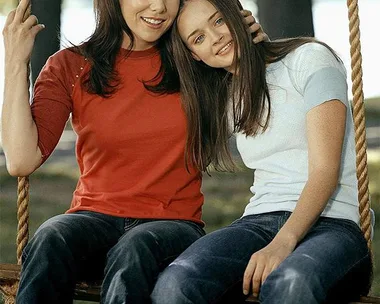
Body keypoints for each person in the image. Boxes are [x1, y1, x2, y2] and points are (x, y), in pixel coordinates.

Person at [1, 0, 267, 303]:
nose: (158, 7)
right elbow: (21, 160)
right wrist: (15, 61)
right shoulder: (71, 66)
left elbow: (265, 95)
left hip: (173, 224)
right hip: (94, 219)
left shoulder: (194, 57)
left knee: (135, 246)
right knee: (52, 236)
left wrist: (249, 47)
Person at [150, 0, 373, 303]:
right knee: (177, 281)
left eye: (218, 21)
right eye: (198, 38)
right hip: (259, 221)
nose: (215, 37)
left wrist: (283, 242)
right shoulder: (226, 94)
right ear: (194, 55)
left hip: (334, 223)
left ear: (241, 16)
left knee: (290, 284)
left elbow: (324, 171)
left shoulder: (310, 59)